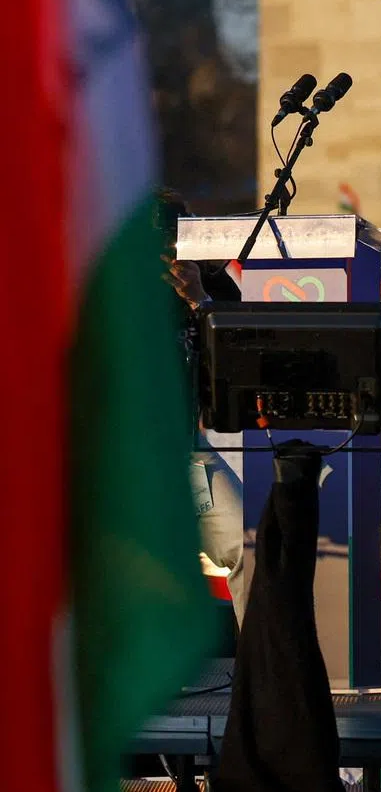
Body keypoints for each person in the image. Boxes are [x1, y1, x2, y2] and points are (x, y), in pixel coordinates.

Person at [155, 189, 248, 626]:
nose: (167, 259)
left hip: (189, 452)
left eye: (175, 244)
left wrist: (198, 300)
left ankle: (259, 670)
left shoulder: (207, 280)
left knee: (251, 544)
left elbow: (239, 351)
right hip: (115, 456)